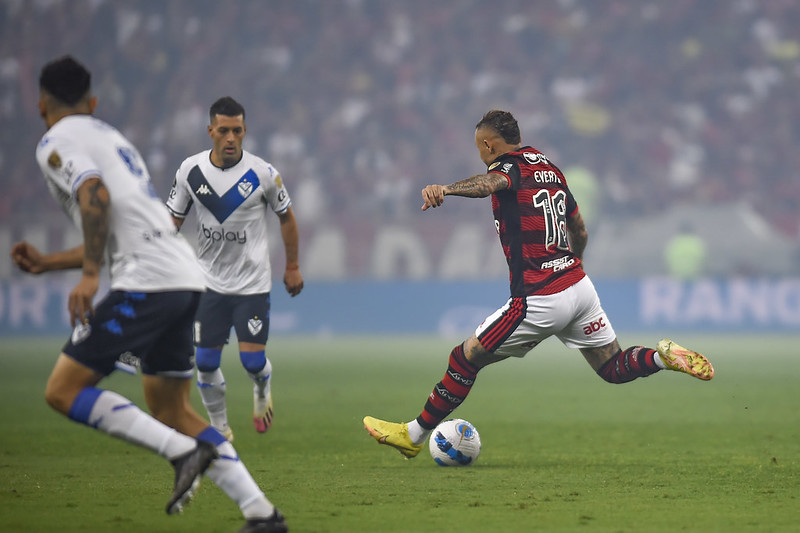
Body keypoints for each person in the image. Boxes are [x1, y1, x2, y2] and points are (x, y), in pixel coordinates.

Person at [11, 56, 287, 533]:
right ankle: (263, 515)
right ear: (93, 102)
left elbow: (94, 196)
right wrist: (51, 263)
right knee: (171, 408)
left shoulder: (56, 141)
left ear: (41, 106)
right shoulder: (112, 139)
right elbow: (129, 226)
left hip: (148, 282)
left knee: (62, 390)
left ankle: (181, 452)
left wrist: (91, 275)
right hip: (183, 278)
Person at [363, 109, 714, 458]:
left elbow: (489, 184)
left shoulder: (508, 167)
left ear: (488, 144)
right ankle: (661, 358)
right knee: (612, 366)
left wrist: (446, 189)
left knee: (464, 358)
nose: (480, 155)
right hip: (579, 288)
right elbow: (580, 230)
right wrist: (571, 265)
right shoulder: (551, 170)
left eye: (479, 148)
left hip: (541, 296)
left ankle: (413, 435)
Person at [166, 96, 303, 442]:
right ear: (210, 130)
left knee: (252, 363)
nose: (230, 138)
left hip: (252, 285)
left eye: (237, 131)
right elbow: (172, 222)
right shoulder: (190, 172)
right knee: (206, 362)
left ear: (245, 132)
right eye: (223, 131)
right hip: (208, 284)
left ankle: (262, 388)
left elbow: (287, 218)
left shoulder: (263, 174)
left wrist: (293, 266)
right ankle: (220, 429)